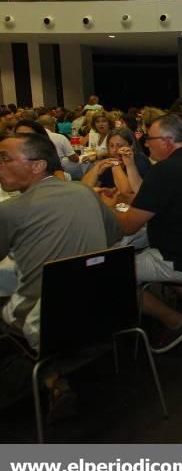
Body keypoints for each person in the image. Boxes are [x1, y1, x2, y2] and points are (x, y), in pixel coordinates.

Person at [0, 133, 122, 412]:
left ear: (38, 165)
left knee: (9, 304)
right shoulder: (84, 192)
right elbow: (115, 235)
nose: (0, 166)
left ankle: (49, 376)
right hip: (104, 309)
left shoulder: (11, 211)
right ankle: (56, 375)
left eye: (5, 159)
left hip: (49, 321)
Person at [102, 115, 182, 353]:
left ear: (167, 140)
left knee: (112, 273)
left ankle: (175, 321)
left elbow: (129, 224)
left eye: (150, 139)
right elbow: (154, 198)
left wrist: (104, 206)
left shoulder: (167, 170)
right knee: (140, 243)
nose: (146, 144)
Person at [81, 128, 150, 196]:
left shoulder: (140, 160)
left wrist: (116, 166)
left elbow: (127, 192)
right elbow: (83, 188)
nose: (114, 150)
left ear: (131, 146)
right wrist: (98, 167)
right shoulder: (108, 161)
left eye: (120, 146)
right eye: (111, 146)